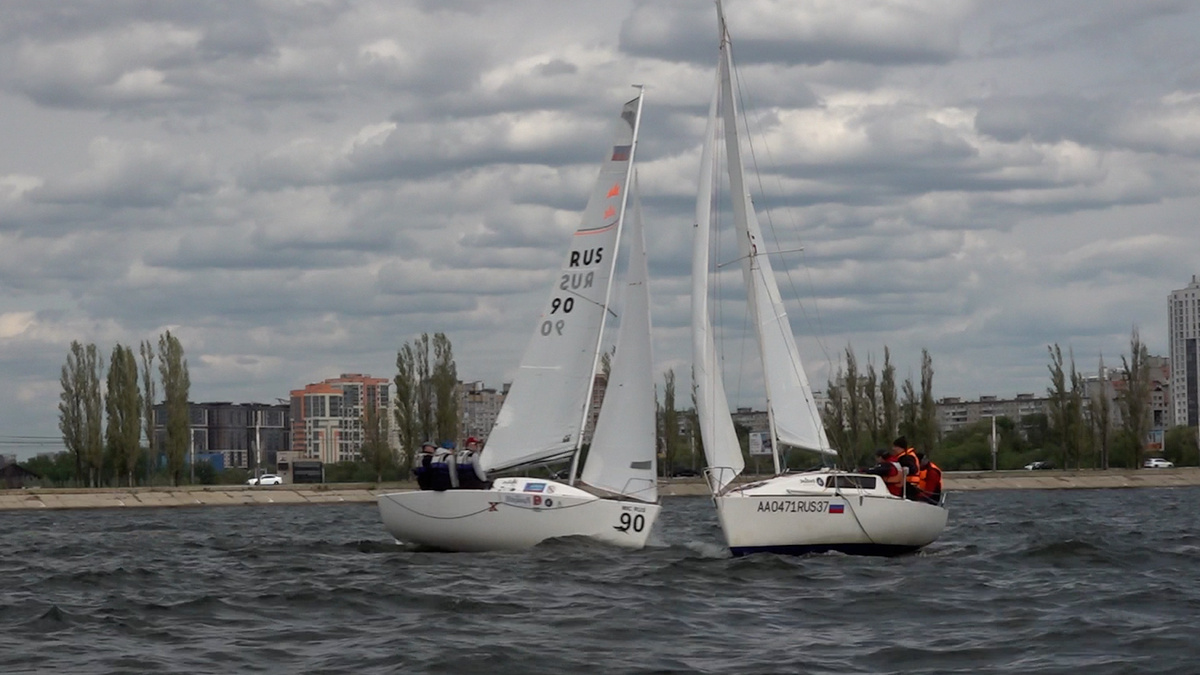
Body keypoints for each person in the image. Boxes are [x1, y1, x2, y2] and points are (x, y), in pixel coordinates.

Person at [892, 436, 922, 501]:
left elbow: (913, 469)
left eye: (895, 447)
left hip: (909, 485)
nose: (893, 448)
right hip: (908, 484)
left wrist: (906, 471)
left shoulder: (907, 458)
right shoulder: (904, 457)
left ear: (901, 448)